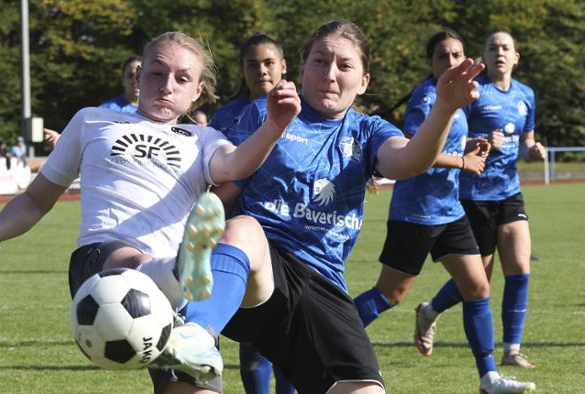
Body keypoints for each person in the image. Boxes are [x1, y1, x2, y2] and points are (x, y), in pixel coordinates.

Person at [146, 19, 484, 394]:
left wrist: (444, 109)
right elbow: (228, 183)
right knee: (244, 229)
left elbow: (408, 160)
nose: (330, 74)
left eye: (345, 65)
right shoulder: (267, 112)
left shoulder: (368, 131)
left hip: (321, 283)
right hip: (258, 270)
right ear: (302, 68)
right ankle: (195, 334)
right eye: (320, 62)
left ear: (364, 81)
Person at [0, 31, 301, 390]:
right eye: (157, 73)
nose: (167, 85)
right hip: (102, 263)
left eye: (182, 78)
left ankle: (190, 309)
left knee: (195, 385)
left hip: (178, 295)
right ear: (139, 76)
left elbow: (235, 166)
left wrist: (274, 126)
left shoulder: (203, 139)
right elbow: (36, 198)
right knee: (138, 263)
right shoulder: (92, 121)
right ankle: (177, 271)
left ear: (197, 91)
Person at [351, 30, 535, 393]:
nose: (450, 62)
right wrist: (463, 162)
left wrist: (469, 144)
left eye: (456, 55)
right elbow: (416, 153)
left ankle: (489, 379)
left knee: (477, 287)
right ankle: (319, 335)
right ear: (430, 62)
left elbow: (444, 140)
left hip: (449, 211)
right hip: (416, 212)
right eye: (442, 56)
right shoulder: (425, 97)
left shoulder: (455, 95)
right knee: (390, 294)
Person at [416, 31, 546, 371]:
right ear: (483, 56)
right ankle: (430, 311)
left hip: (509, 191)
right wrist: (480, 139)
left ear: (516, 57)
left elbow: (526, 140)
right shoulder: (474, 91)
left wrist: (532, 150)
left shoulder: (526, 95)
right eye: (492, 47)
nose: (499, 53)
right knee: (479, 280)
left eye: (506, 48)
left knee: (519, 267)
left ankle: (512, 350)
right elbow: (450, 130)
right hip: (473, 193)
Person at [210, 32, 294, 394]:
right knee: (256, 331)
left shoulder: (307, 109)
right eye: (252, 64)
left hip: (293, 233)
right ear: (242, 70)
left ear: (283, 66)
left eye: (268, 62)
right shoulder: (226, 116)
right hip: (242, 232)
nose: (261, 70)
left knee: (292, 332)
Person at [43, 55, 142, 145]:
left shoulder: (156, 111)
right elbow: (85, 133)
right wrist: (60, 139)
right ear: (122, 80)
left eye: (139, 76)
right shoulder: (108, 109)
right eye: (130, 76)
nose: (135, 81)